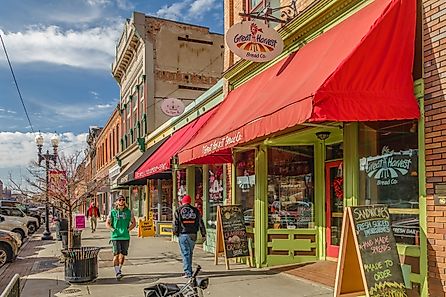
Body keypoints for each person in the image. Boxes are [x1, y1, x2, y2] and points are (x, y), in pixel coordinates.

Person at [173, 195, 206, 278]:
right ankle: (189, 270)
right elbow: (201, 222)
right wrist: (203, 234)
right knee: (189, 253)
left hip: (183, 234)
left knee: (185, 253)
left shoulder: (178, 210)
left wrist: (175, 232)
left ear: (182, 202)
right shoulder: (196, 210)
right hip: (193, 234)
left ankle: (188, 272)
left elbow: (175, 223)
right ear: (190, 201)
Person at [105, 195, 136, 280]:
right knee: (116, 254)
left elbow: (134, 223)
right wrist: (113, 229)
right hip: (115, 237)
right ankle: (117, 272)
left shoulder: (129, 212)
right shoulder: (113, 212)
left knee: (122, 255)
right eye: (120, 200)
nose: (121, 201)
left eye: (123, 199)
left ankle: (119, 269)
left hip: (125, 237)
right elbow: (107, 223)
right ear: (116, 202)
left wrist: (128, 230)